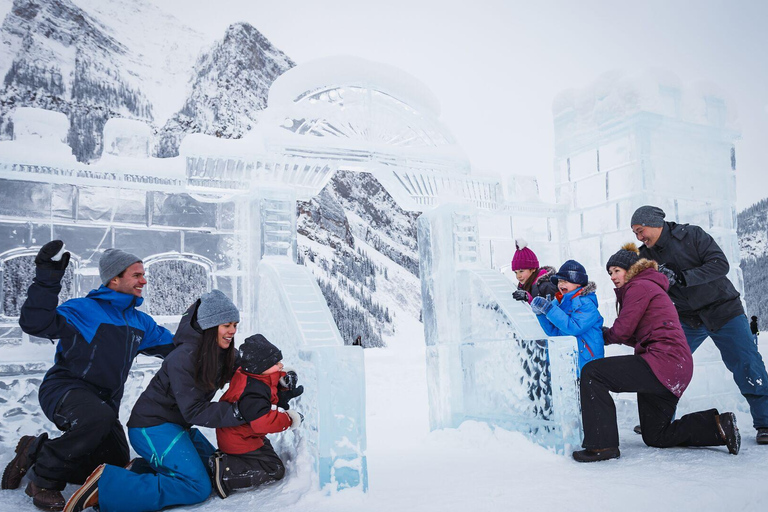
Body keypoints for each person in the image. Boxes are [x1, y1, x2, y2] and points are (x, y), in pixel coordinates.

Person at [1, 242, 175, 511]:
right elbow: (36, 323)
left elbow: (178, 350)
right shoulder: (84, 309)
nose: (144, 280)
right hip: (64, 390)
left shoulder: (140, 323)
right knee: (96, 419)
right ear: (115, 278)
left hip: (102, 405)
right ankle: (44, 480)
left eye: (143, 274)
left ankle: (34, 450)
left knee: (112, 462)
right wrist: (48, 277)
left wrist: (220, 347)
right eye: (137, 275)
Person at [63, 290, 249, 512]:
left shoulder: (222, 353)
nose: (232, 331)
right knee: (196, 487)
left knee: (216, 470)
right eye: (226, 325)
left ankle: (138, 471)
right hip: (151, 427)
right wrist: (240, 412)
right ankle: (108, 486)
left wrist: (279, 382)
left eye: (235, 324)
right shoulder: (184, 357)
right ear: (210, 326)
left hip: (175, 426)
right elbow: (194, 411)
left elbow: (248, 372)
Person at [573, 243, 741, 462]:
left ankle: (601, 446)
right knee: (657, 435)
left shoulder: (639, 286)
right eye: (610, 273)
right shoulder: (648, 286)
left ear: (630, 269)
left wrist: (597, 336)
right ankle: (718, 426)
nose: (612, 276)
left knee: (592, 373)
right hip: (674, 367)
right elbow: (633, 336)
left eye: (617, 271)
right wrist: (606, 334)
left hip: (663, 362)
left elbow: (622, 331)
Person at [631, 205, 768, 445]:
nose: (639, 237)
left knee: (747, 364)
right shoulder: (645, 256)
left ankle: (765, 422)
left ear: (655, 223)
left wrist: (682, 276)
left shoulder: (692, 235)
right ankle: (656, 421)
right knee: (662, 364)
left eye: (641, 231)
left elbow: (719, 264)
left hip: (723, 310)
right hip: (686, 318)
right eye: (636, 234)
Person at [210, 334, 305, 499]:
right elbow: (263, 423)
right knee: (274, 469)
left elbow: (270, 379)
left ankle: (232, 460)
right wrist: (289, 420)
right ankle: (227, 473)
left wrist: (283, 381)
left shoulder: (251, 375)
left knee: (265, 451)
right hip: (239, 440)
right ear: (261, 367)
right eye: (276, 363)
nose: (281, 365)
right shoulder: (253, 393)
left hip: (241, 435)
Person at [530, 259, 604, 373]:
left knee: (589, 390)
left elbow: (573, 328)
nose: (561, 284)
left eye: (565, 281)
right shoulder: (559, 302)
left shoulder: (587, 303)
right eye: (559, 281)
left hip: (588, 362)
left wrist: (549, 309)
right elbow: (554, 332)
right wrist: (540, 314)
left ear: (578, 282)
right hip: (569, 361)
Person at [510, 239, 558, 304]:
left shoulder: (546, 285)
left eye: (521, 271)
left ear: (533, 269)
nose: (518, 276)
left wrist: (528, 299)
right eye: (516, 272)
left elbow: (550, 310)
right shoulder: (524, 285)